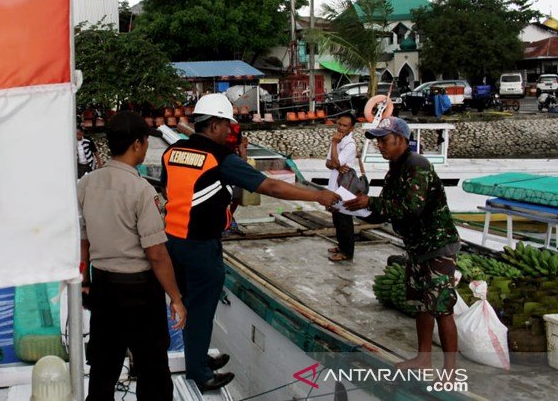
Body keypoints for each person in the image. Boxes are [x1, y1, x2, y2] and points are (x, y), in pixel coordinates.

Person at [160, 93, 340, 392]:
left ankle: (196, 357)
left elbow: (169, 190)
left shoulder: (174, 152)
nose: (229, 131)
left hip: (172, 241)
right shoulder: (220, 159)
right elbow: (269, 186)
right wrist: (317, 195)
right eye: (227, 125)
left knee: (188, 303)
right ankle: (200, 372)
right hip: (201, 246)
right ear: (215, 125)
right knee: (202, 308)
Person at [79, 111, 186, 401]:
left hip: (104, 287)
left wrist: (85, 281)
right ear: (138, 144)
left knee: (103, 367)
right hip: (140, 291)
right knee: (152, 369)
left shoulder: (87, 184)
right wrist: (175, 298)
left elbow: (83, 240)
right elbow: (156, 254)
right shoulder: (141, 190)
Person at [343, 116, 460, 371]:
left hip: (437, 245)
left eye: (384, 140)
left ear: (401, 140)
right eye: (377, 142)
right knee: (421, 303)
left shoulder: (417, 165)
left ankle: (451, 370)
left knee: (441, 307)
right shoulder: (395, 168)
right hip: (418, 247)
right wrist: (350, 207)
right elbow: (385, 209)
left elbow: (412, 209)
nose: (380, 146)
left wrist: (370, 203)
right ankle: (423, 357)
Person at [325, 112, 359, 261]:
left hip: (344, 186)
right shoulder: (338, 141)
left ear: (351, 129)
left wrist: (333, 145)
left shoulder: (349, 144)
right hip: (335, 184)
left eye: (344, 126)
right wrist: (336, 164)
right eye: (339, 124)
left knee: (344, 218)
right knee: (336, 217)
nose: (340, 128)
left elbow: (336, 163)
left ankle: (347, 252)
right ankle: (341, 245)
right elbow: (329, 163)